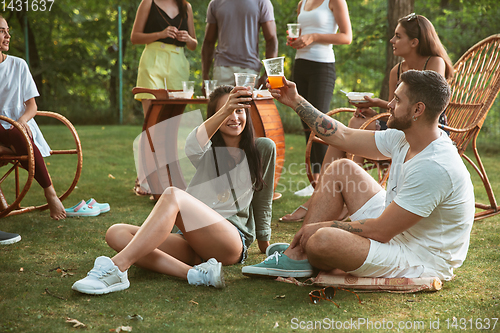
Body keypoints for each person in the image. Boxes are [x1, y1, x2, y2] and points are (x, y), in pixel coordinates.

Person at [242, 70, 475, 282]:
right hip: (396, 228)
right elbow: (342, 136)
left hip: (419, 256)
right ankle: (299, 255)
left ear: (418, 110)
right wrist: (295, 101)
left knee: (322, 241)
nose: (389, 105)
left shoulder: (435, 166)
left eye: (397, 100)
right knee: (341, 167)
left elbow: (381, 230)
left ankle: (307, 247)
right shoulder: (403, 137)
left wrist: (321, 228)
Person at [72, 85, 276, 294]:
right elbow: (192, 145)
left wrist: (264, 243)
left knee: (173, 195)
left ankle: (117, 267)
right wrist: (226, 109)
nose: (234, 116)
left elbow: (263, 199)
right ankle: (195, 274)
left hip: (231, 240)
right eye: (225, 110)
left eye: (239, 110)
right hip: (191, 240)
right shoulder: (206, 151)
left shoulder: (263, 148)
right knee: (116, 233)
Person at [280, 13, 453, 221]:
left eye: (398, 36)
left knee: (356, 126)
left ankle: (345, 196)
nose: (392, 41)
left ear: (414, 42)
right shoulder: (396, 70)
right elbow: (394, 109)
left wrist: (375, 103)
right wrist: (373, 110)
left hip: (425, 128)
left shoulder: (434, 63)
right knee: (355, 123)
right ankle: (321, 195)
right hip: (400, 126)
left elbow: (426, 107)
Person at [0, 15, 66, 220]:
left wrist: (21, 121)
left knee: (16, 131)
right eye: (2, 31)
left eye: (8, 30)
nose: (8, 36)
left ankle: (50, 193)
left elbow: (32, 106)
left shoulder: (18, 65)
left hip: (19, 126)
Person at [130, 0, 198, 195]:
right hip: (152, 62)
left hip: (178, 64)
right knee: (152, 125)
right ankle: (144, 179)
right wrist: (160, 34)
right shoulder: (147, 3)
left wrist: (187, 38)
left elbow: (194, 44)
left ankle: (167, 179)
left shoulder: (186, 6)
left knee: (171, 126)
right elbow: (135, 37)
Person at [287, 0, 351, 197]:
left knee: (319, 124)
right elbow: (301, 32)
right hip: (301, 65)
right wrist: (296, 40)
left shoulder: (335, 1)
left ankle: (327, 181)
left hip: (322, 67)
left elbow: (346, 36)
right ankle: (315, 181)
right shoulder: (302, 3)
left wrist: (314, 36)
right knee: (307, 123)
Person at [201, 0, 278, 88]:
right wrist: (205, 77)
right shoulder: (216, 3)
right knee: (222, 102)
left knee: (247, 101)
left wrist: (268, 74)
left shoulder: (262, 2)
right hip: (222, 69)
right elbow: (208, 42)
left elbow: (271, 39)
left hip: (250, 70)